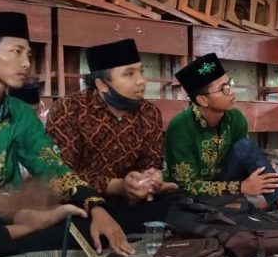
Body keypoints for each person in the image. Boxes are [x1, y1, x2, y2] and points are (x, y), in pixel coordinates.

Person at [0, 12, 132, 257]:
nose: (26, 62)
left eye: (28, 54)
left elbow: (53, 168)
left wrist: (96, 206)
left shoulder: (20, 114)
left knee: (83, 227)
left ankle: (12, 236)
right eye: (16, 51)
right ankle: (16, 234)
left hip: (6, 220)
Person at [47, 38, 179, 234]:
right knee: (65, 228)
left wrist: (150, 180)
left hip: (130, 202)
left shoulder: (149, 113)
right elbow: (59, 176)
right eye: (129, 74)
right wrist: (116, 186)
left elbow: (150, 164)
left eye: (141, 71)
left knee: (178, 207)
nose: (141, 81)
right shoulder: (69, 109)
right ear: (102, 84)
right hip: (82, 202)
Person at [165, 53, 278, 225]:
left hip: (224, 186)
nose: (232, 91)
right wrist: (241, 187)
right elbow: (187, 187)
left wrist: (248, 182)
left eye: (230, 83)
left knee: (245, 146)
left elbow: (245, 159)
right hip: (190, 197)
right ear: (202, 100)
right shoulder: (180, 127)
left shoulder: (235, 118)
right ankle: (234, 205)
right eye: (223, 88)